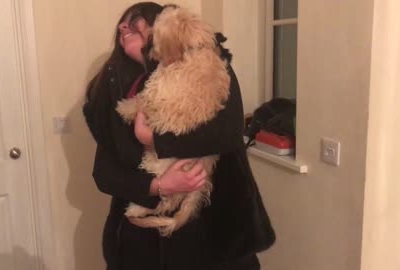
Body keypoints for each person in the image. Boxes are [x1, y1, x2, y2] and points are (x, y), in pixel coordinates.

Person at [82, 2, 275, 270]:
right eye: (121, 26)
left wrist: (153, 140)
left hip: (214, 231)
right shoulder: (116, 89)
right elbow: (103, 172)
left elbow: (228, 133)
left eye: (134, 20)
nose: (122, 27)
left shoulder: (208, 63)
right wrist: (160, 186)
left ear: (160, 24)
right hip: (142, 240)